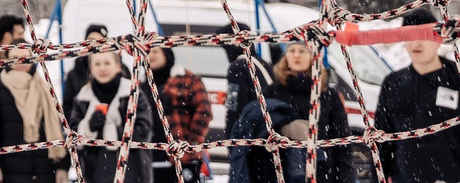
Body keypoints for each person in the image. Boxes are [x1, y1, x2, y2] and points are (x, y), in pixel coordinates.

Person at [371, 16, 460, 183]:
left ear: (438, 39)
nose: (415, 44)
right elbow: (381, 144)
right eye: (409, 36)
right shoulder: (392, 84)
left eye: (422, 36)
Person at [0, 24, 67, 183]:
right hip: (10, 172)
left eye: (25, 57)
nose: (21, 62)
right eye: (15, 57)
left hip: (44, 173)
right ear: (7, 60)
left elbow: (58, 128)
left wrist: (63, 166)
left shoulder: (44, 87)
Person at [64, 45, 171, 183]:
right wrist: (88, 127)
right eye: (97, 63)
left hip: (133, 174)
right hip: (96, 175)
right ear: (91, 69)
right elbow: (73, 138)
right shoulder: (82, 99)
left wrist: (115, 131)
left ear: (118, 66)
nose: (102, 68)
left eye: (107, 63)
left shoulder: (133, 94)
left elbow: (144, 132)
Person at [260, 39, 351, 183]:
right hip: (281, 171)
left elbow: (342, 140)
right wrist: (285, 128)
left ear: (312, 56)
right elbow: (259, 129)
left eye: (302, 51)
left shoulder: (327, 95)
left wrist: (345, 177)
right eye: (292, 51)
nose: (296, 55)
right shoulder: (273, 92)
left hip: (322, 171)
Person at [142, 43, 208, 183]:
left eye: (155, 51)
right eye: (148, 52)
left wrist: (190, 142)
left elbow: (204, 111)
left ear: (166, 54)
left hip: (182, 157)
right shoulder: (140, 84)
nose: (151, 56)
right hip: (150, 157)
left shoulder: (188, 79)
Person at [219, 40, 279, 183]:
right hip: (269, 130)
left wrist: (231, 138)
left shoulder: (237, 67)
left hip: (250, 133)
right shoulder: (263, 63)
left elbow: (234, 107)